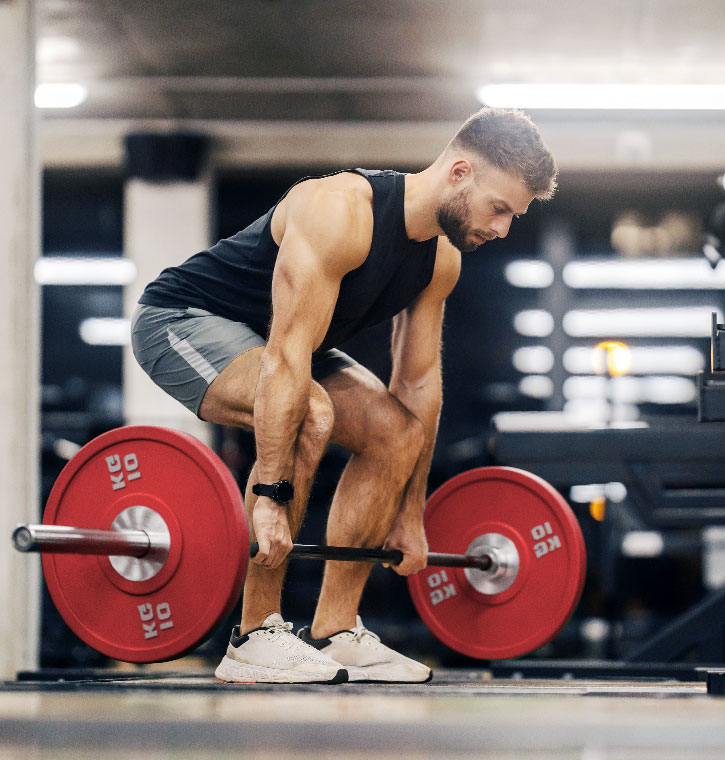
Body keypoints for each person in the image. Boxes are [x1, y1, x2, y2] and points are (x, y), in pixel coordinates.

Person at [131, 106, 557, 684]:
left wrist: (410, 514)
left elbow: (418, 385)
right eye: (500, 208)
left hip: (289, 346)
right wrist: (270, 495)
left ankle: (336, 632)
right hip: (184, 321)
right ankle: (254, 636)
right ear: (460, 172)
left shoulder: (441, 259)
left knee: (395, 429)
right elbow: (285, 357)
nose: (503, 228)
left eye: (514, 216)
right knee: (310, 410)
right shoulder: (338, 209)